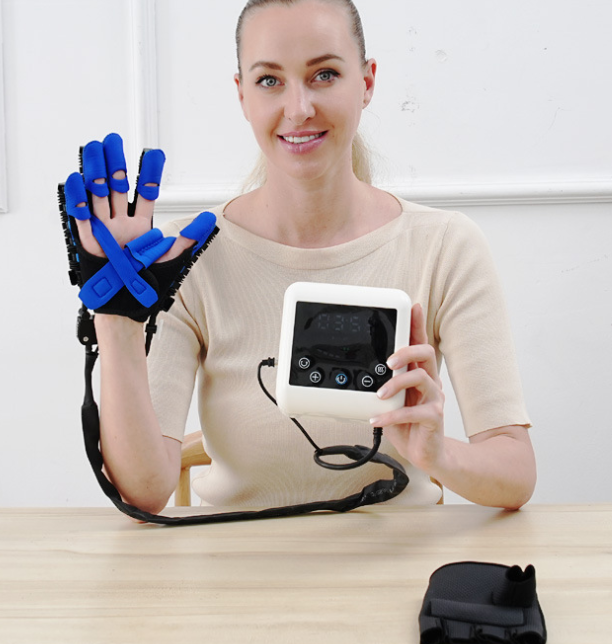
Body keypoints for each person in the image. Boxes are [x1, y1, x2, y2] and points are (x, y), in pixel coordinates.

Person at [70, 0, 536, 515]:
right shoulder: (182, 257)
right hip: (236, 560)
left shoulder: (446, 246)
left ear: (367, 82)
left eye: (324, 75)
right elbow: (144, 491)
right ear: (242, 94)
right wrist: (116, 318)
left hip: (403, 560)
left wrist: (439, 453)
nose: (298, 109)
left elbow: (515, 474)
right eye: (269, 80)